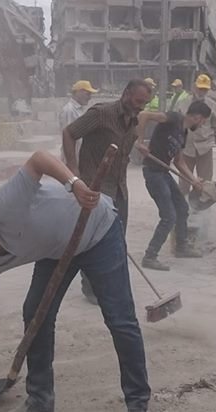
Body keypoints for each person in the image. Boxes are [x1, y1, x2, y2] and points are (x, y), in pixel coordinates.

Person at [0, 151, 150, 412]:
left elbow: (38, 159)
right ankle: (40, 399)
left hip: (98, 232)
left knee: (120, 319)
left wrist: (75, 184)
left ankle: (138, 401)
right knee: (36, 314)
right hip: (55, 251)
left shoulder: (4, 206)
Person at [63, 79, 152, 304]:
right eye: (138, 101)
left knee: (115, 239)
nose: (141, 107)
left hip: (119, 189)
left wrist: (138, 147)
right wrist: (73, 171)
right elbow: (69, 133)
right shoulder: (101, 113)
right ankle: (90, 287)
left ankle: (108, 283)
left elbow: (123, 150)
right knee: (94, 238)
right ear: (126, 93)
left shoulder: (133, 120)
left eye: (144, 103)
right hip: (96, 187)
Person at [136, 101, 211, 270]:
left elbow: (179, 161)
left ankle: (181, 247)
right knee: (169, 216)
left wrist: (193, 180)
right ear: (197, 117)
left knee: (182, 208)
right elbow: (143, 115)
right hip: (153, 172)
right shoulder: (174, 118)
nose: (202, 125)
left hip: (163, 172)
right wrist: (140, 142)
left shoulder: (183, 132)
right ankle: (150, 256)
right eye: (203, 121)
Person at [176, 74, 216, 195]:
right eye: (200, 88)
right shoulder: (183, 103)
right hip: (186, 148)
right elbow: (176, 126)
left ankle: (200, 203)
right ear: (194, 87)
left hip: (205, 148)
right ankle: (183, 202)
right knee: (184, 180)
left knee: (205, 181)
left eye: (205, 89)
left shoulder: (212, 106)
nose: (202, 92)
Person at [58, 80, 98, 162]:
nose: (90, 97)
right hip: (72, 159)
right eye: (87, 94)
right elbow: (68, 137)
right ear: (79, 92)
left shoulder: (78, 110)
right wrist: (72, 163)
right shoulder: (69, 110)